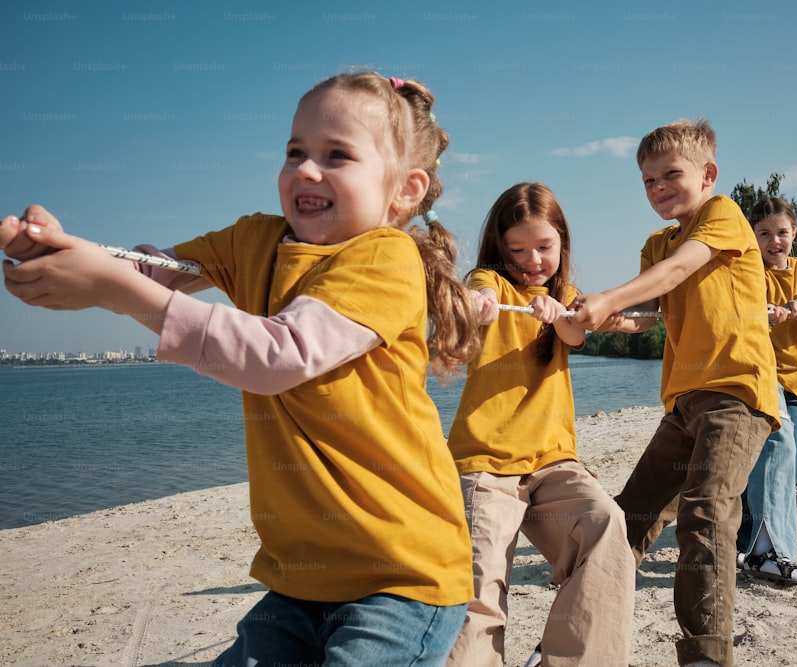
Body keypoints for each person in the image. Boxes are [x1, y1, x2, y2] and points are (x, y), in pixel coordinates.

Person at [2, 72, 481, 666]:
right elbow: (155, 271)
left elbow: (278, 355)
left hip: (402, 575)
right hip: (300, 577)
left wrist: (115, 290)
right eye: (295, 152)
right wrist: (66, 252)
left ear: (404, 190)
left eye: (337, 156)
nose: (307, 170)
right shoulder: (255, 239)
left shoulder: (384, 258)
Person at [571, 119, 780, 667]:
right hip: (682, 404)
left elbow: (679, 269)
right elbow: (645, 315)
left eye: (671, 174)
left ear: (708, 174)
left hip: (736, 395)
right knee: (627, 518)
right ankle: (581, 629)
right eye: (647, 180)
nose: (658, 187)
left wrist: (611, 296)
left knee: (706, 511)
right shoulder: (655, 242)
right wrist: (597, 314)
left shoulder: (723, 215)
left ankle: (706, 654)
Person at [445, 182, 634, 667]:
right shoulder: (490, 282)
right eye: (518, 249)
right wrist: (476, 304)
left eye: (544, 247)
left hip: (553, 465)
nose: (532, 259)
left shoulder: (570, 300)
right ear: (499, 249)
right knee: (480, 585)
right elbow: (476, 294)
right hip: (485, 466)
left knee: (606, 524)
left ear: (562, 244)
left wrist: (555, 311)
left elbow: (576, 331)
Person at [736, 197, 797, 584]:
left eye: (782, 233)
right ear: (752, 236)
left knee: (784, 469)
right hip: (760, 379)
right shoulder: (750, 271)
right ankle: (759, 546)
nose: (774, 241)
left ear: (795, 234)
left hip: (796, 382)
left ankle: (761, 544)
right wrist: (766, 314)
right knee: (766, 458)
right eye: (764, 234)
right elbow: (739, 314)